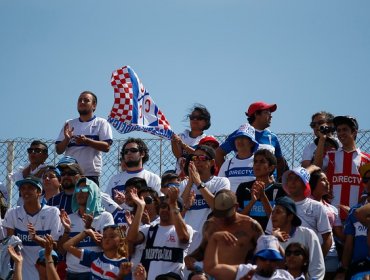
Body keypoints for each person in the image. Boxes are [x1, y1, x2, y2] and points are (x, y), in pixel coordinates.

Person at [185, 190, 264, 274]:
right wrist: (191, 257)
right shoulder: (210, 225)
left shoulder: (251, 226)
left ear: (236, 207)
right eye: (219, 214)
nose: (222, 219)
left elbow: (264, 253)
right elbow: (203, 249)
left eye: (226, 214)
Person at [126, 187, 193, 279]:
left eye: (169, 207)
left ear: (178, 210)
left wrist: (173, 204)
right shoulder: (149, 229)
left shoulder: (186, 229)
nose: (165, 209)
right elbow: (131, 239)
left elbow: (183, 238)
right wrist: (140, 207)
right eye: (163, 206)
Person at [2, 176, 62, 280]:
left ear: (39, 192)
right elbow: (10, 245)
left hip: (45, 272)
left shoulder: (53, 212)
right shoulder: (12, 213)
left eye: (30, 187)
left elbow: (55, 246)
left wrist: (36, 238)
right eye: (23, 188)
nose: (26, 191)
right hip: (22, 272)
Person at [266, 167, 333, 259]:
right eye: (290, 179)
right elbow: (270, 234)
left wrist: (316, 261)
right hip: (282, 262)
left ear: (305, 184)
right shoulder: (277, 207)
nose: (292, 182)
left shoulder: (317, 207)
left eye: (297, 179)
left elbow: (328, 238)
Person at [59, 177, 115, 280]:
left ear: (93, 192)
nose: (80, 193)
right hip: (72, 274)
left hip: (96, 272)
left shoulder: (105, 217)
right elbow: (62, 251)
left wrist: (90, 229)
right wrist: (67, 231)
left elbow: (110, 247)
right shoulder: (69, 218)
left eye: (85, 189)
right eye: (77, 190)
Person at [215, 101, 285, 181]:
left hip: (267, 186)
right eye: (266, 112)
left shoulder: (272, 137)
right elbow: (219, 153)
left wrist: (274, 179)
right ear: (256, 114)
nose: (271, 116)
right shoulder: (239, 134)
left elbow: (279, 161)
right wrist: (228, 173)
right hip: (241, 182)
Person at [317, 115, 370, 220]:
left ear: (354, 132)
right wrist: (322, 140)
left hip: (356, 218)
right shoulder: (330, 155)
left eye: (345, 129)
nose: (341, 133)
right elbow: (316, 167)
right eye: (339, 130)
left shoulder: (367, 159)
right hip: (333, 217)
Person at [55, 91, 113, 185]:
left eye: (86, 100)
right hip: (69, 174)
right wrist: (67, 139)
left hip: (90, 175)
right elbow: (59, 150)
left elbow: (106, 147)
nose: (82, 102)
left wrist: (87, 141)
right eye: (80, 100)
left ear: (94, 105)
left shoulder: (101, 123)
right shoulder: (69, 123)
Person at [269, 196, 325, 279]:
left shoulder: (308, 234)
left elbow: (317, 267)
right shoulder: (271, 238)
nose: (273, 216)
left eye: (278, 212)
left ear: (290, 216)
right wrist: (273, 239)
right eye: (272, 212)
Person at [180, 145, 230, 232]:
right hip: (188, 237)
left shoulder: (221, 182)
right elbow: (178, 209)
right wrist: (190, 183)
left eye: (202, 158)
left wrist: (199, 183)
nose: (198, 161)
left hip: (210, 236)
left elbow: (219, 208)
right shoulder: (184, 184)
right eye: (195, 158)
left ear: (212, 162)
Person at [204, 233, 294, 280]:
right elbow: (211, 268)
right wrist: (214, 239)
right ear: (256, 259)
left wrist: (274, 239)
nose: (268, 262)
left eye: (272, 259)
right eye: (263, 258)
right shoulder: (244, 271)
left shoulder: (286, 277)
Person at [236, 149, 286, 230]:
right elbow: (238, 219)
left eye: (262, 162)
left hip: (271, 237)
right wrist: (252, 201)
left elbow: (276, 221)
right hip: (248, 238)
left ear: (271, 168)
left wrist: (263, 197)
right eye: (255, 162)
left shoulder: (280, 189)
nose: (257, 165)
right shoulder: (243, 187)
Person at [336, 162, 370, 279]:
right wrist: (343, 269)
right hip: (358, 266)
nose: (369, 182)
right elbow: (349, 245)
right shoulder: (354, 210)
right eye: (366, 180)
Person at [309, 167, 344, 278]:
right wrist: (313, 167)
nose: (328, 183)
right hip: (310, 254)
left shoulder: (332, 209)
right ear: (313, 183)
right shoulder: (304, 204)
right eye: (323, 180)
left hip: (330, 256)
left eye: (328, 180)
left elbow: (340, 234)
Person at [63, 224, 132, 280]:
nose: (107, 239)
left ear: (121, 241)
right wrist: (86, 232)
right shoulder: (94, 257)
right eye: (104, 237)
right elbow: (66, 246)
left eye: (111, 236)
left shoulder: (123, 265)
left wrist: (120, 276)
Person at [105, 138, 161, 202]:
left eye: (133, 150)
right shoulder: (114, 179)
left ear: (142, 154)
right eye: (126, 152)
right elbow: (106, 203)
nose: (129, 153)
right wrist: (116, 203)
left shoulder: (153, 178)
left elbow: (158, 203)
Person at [171, 105, 211, 176]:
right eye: (192, 117)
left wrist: (183, 145)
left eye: (199, 118)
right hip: (181, 176)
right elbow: (178, 155)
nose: (194, 120)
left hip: (199, 176)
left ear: (206, 122)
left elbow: (201, 156)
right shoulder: (182, 136)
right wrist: (173, 141)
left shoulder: (207, 139)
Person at [218, 124, 259, 193]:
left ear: (252, 143)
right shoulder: (227, 164)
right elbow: (219, 186)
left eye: (244, 137)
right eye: (237, 138)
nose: (239, 141)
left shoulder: (258, 162)